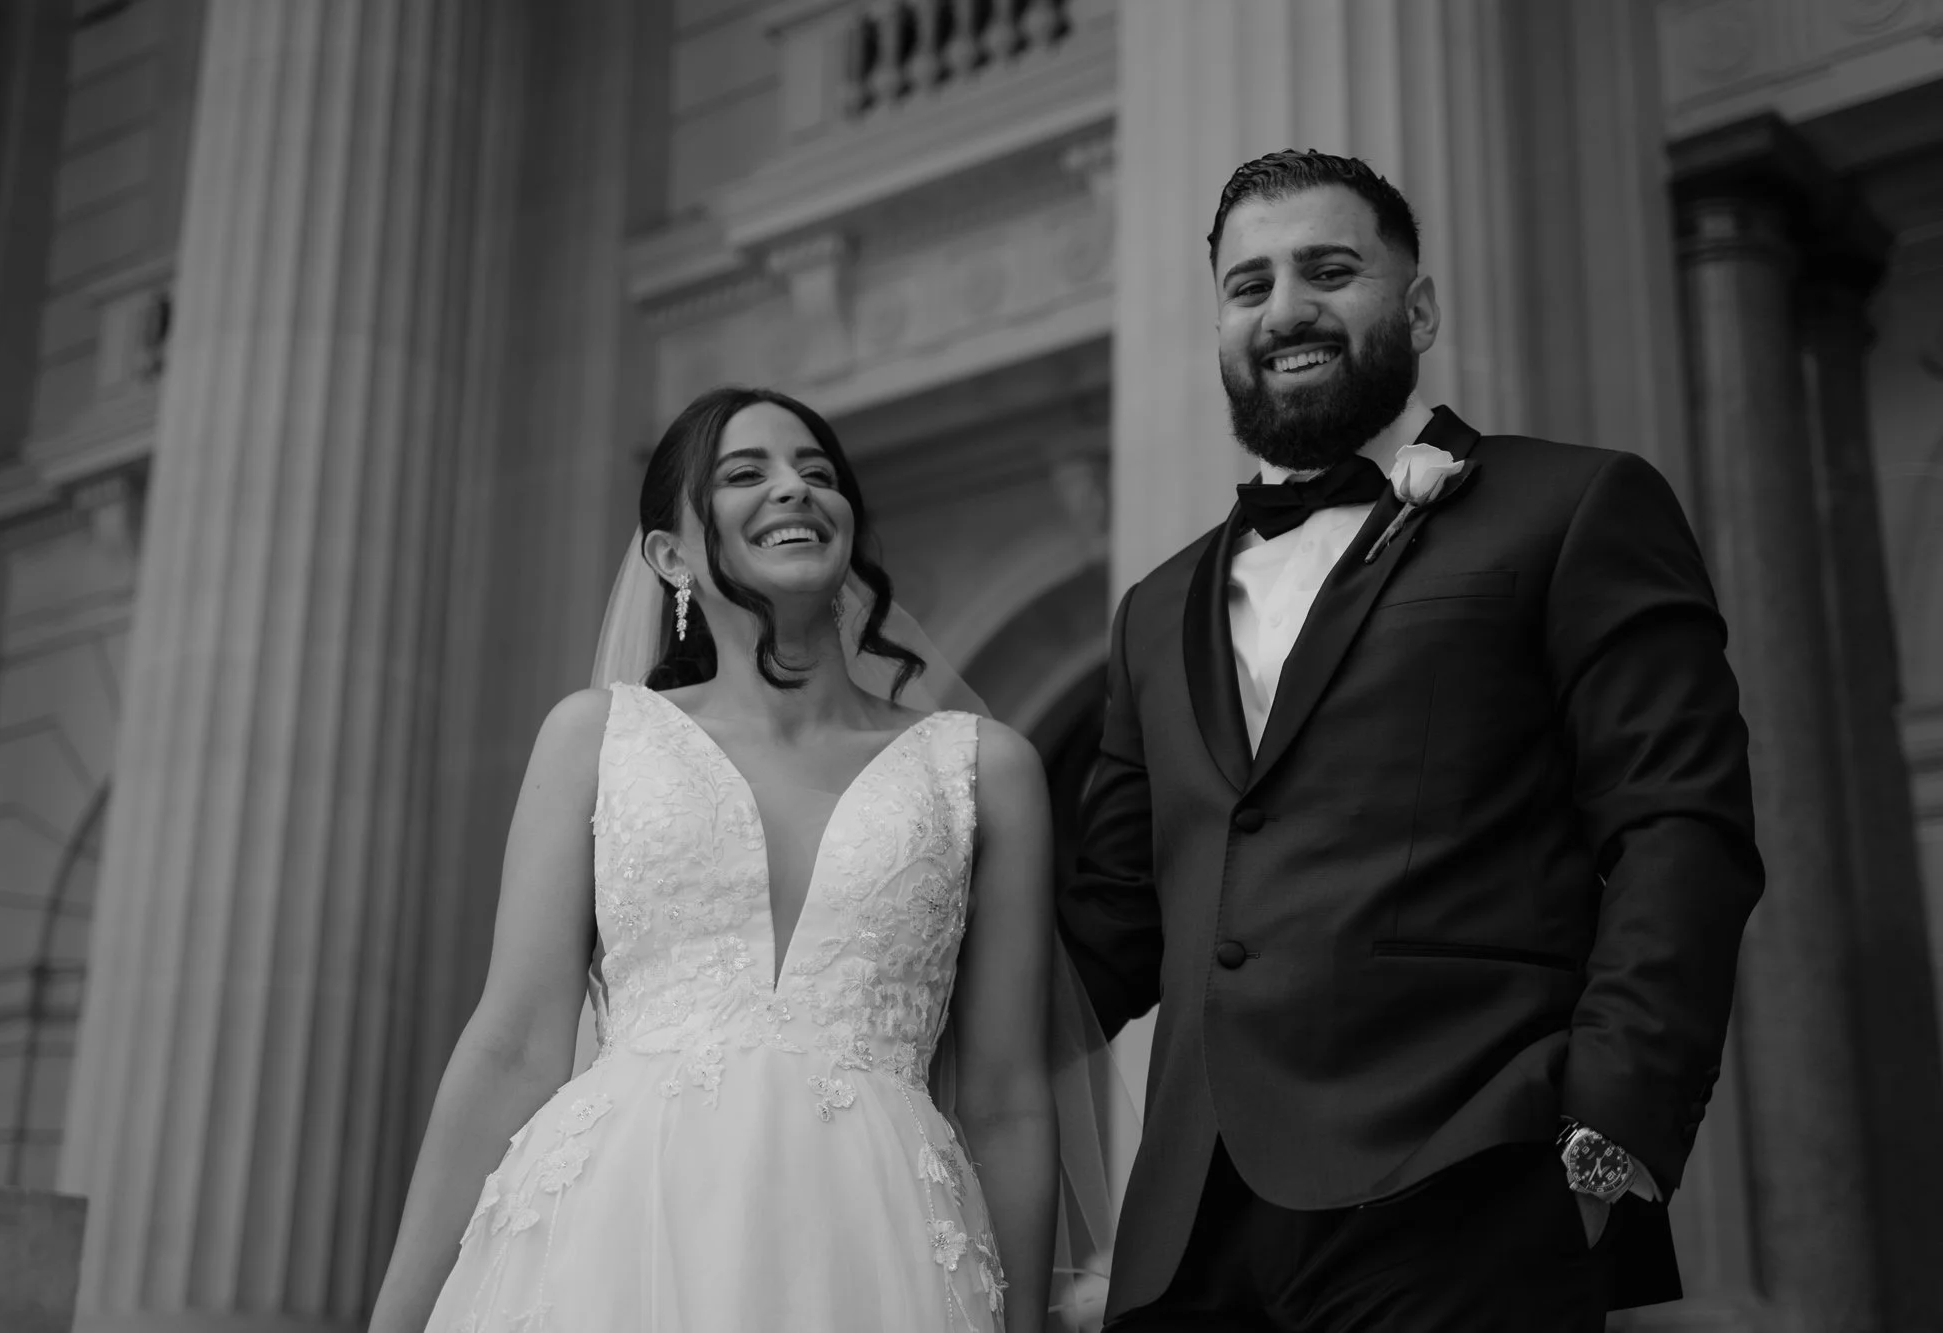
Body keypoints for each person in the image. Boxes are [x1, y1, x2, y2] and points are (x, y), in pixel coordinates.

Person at [1057, 150, 1763, 1331]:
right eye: (1248, 285)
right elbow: (1112, 925)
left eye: (1327, 270)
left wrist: (1609, 1141)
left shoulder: (1574, 506)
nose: (1284, 309)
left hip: (1465, 1185)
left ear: (1417, 307)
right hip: (1189, 1239)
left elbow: (1676, 828)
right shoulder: (1151, 609)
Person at [368, 386, 1059, 1333]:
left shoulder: (985, 768)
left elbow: (1008, 1097)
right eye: (747, 474)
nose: (795, 489)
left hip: (882, 1252)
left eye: (818, 473)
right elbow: (513, 1045)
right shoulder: (595, 738)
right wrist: (395, 1317)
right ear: (668, 555)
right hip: (615, 1236)